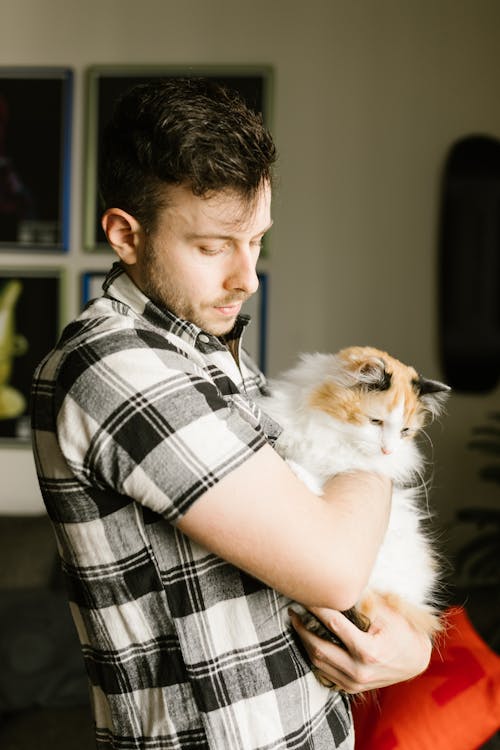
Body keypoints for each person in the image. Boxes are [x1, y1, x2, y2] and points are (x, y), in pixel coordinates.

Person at [31, 78, 431, 750]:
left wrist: (410, 650)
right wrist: (376, 425)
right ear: (127, 235)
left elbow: (321, 578)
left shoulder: (210, 356)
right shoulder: (115, 367)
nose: (246, 276)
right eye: (214, 245)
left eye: (257, 240)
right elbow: (334, 565)